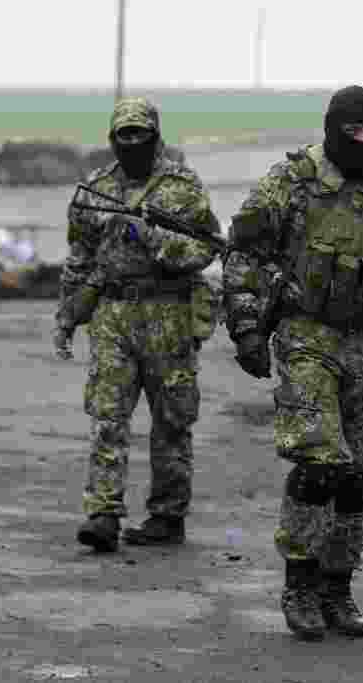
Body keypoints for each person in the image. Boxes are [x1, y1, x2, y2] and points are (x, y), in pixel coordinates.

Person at [221, 85, 363, 640]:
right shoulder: (293, 181)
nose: (361, 142)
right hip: (308, 335)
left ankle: (337, 586)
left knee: (359, 472)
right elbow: (243, 253)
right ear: (331, 129)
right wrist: (247, 328)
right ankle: (299, 581)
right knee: (319, 460)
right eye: (352, 132)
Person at [54, 96, 222, 553]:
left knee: (171, 420)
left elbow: (204, 249)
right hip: (112, 313)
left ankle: (168, 515)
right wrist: (68, 315)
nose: (131, 144)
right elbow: (79, 259)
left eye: (140, 136)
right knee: (107, 416)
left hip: (168, 312)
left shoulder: (182, 186)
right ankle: (103, 513)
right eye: (123, 136)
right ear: (112, 139)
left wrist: (148, 236)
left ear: (155, 136)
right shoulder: (95, 188)